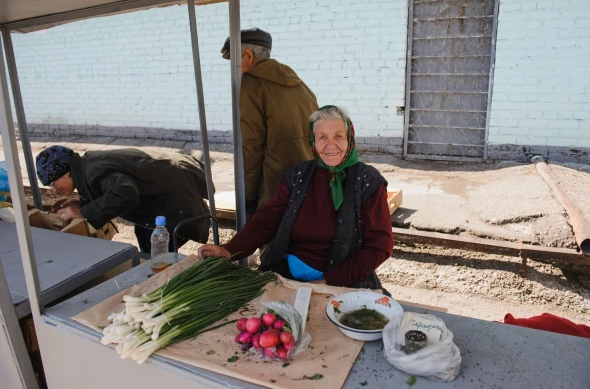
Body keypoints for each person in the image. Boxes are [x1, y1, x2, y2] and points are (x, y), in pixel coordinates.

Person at [197, 106, 394, 290]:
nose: (330, 145)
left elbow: (380, 245)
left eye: (338, 136)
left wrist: (328, 282)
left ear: (350, 138)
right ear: (312, 141)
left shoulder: (367, 181)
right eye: (322, 137)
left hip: (342, 281)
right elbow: (266, 220)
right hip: (287, 276)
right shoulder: (299, 174)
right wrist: (229, 250)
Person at [35, 146, 212, 253]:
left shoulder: (95, 169)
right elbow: (108, 189)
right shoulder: (86, 166)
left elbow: (125, 194)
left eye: (52, 182)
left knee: (159, 251)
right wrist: (79, 203)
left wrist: (82, 212)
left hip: (177, 196)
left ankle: (164, 283)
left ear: (67, 172)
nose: (53, 189)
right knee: (144, 237)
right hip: (163, 191)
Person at [221, 27, 318, 214]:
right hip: (307, 177)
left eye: (235, 61)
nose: (234, 69)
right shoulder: (296, 81)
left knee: (273, 240)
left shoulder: (250, 84)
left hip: (275, 185)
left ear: (248, 55)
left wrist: (247, 196)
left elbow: (251, 147)